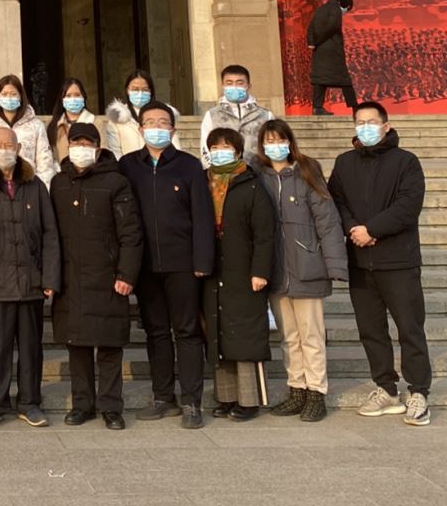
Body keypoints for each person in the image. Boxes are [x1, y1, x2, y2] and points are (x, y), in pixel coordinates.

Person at [328, 102, 432, 426]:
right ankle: (386, 388)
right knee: (371, 330)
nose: (366, 127)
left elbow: (408, 205)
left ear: (386, 126)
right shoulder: (344, 163)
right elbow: (336, 202)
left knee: (409, 328)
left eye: (372, 122)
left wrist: (372, 229)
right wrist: (353, 229)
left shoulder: (406, 162)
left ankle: (419, 392)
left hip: (398, 260)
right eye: (360, 122)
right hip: (360, 263)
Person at [119, 101, 215, 429]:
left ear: (173, 129)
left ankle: (191, 401)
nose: (157, 128)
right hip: (144, 265)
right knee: (156, 331)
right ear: (140, 128)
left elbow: (202, 215)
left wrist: (202, 260)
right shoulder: (128, 166)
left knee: (187, 331)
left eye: (163, 122)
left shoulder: (188, 165)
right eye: (150, 122)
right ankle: (163, 397)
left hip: (183, 263)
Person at [0, 126, 60, 429]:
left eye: (9, 145)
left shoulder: (35, 185)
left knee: (31, 349)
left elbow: (50, 234)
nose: (4, 150)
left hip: (30, 281)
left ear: (18, 148)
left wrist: (50, 278)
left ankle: (30, 402)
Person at [50, 123, 142, 430]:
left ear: (98, 148)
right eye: (76, 143)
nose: (81, 148)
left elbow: (130, 233)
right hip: (70, 277)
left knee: (109, 345)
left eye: (87, 143)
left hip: (107, 276)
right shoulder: (58, 183)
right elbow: (50, 234)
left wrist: (126, 272)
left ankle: (111, 406)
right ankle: (82, 405)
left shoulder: (116, 182)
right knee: (76, 345)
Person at [256, 118, 347, 422]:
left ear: (290, 142)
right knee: (289, 336)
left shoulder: (307, 172)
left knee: (311, 335)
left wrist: (335, 265)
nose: (275, 146)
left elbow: (328, 222)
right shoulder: (258, 176)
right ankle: (297, 389)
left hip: (307, 265)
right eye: (269, 141)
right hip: (276, 269)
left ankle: (316, 392)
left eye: (280, 140)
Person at [203, 127, 276, 421]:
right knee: (219, 332)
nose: (220, 151)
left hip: (244, 269)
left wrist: (260, 271)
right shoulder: (203, 182)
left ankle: (249, 400)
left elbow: (264, 234)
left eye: (226, 146)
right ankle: (226, 397)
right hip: (213, 268)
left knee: (246, 334)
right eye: (215, 147)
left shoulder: (251, 185)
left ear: (237, 150)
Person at [0, 75, 53, 187]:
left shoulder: (36, 126)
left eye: (13, 94)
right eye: (4, 94)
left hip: (28, 185)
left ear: (21, 96)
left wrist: (42, 188)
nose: (9, 98)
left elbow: (45, 162)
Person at [198, 65, 272, 166]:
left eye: (240, 83)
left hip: (258, 172)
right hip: (222, 172)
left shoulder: (265, 115)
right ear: (223, 86)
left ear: (248, 86)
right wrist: (213, 170)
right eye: (229, 83)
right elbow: (205, 148)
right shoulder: (212, 115)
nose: (234, 87)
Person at [48, 77, 121, 161]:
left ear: (84, 97)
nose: (73, 99)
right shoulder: (54, 126)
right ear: (62, 99)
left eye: (77, 95)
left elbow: (103, 153)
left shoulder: (96, 122)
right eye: (68, 95)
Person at [308, 0, 358, 116]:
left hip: (320, 51)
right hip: (332, 50)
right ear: (346, 6)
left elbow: (311, 27)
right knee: (344, 79)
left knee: (320, 79)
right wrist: (318, 41)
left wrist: (311, 42)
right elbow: (332, 27)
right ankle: (355, 107)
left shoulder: (321, 9)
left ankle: (317, 107)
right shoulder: (336, 10)